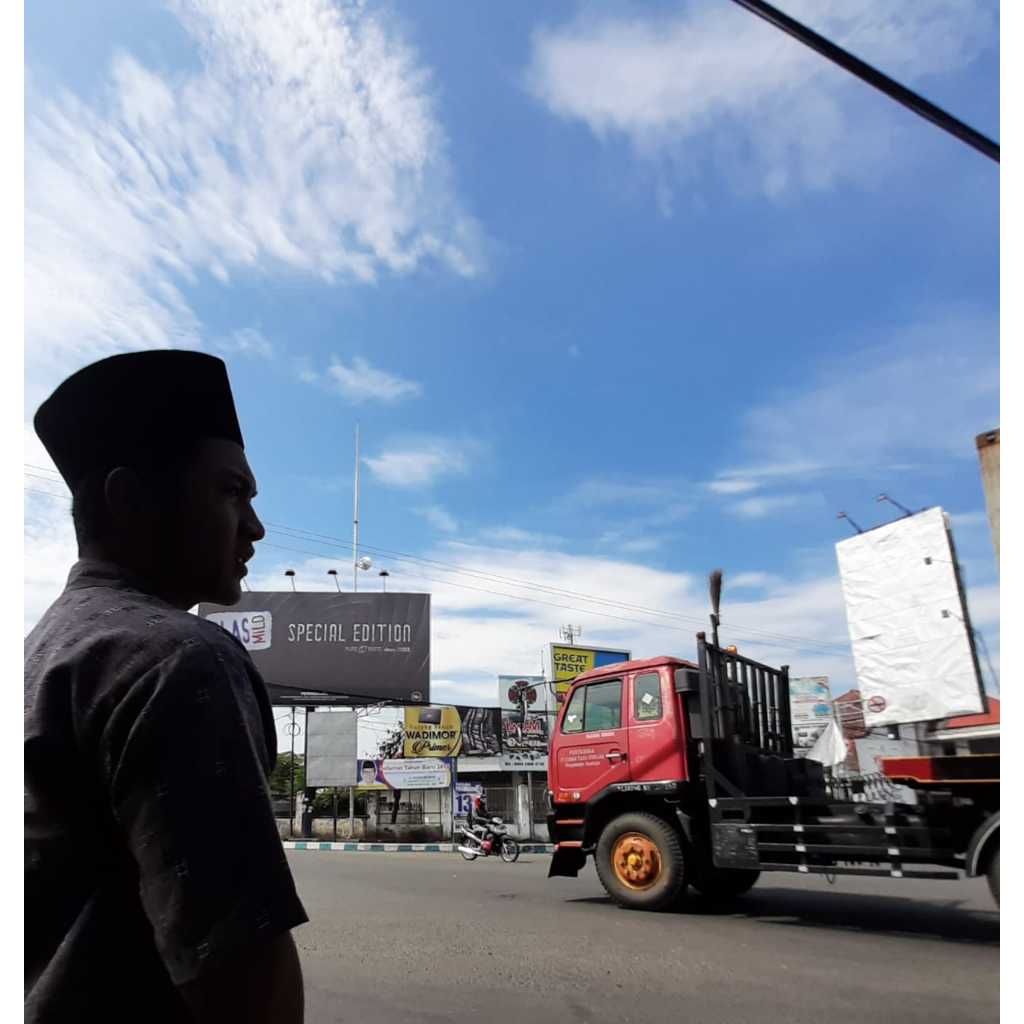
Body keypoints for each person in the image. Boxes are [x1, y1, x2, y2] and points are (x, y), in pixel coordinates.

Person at [25, 351, 308, 1023]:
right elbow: (242, 984)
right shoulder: (176, 660)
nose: (256, 526)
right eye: (231, 492)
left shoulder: (42, 652)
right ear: (130, 499)